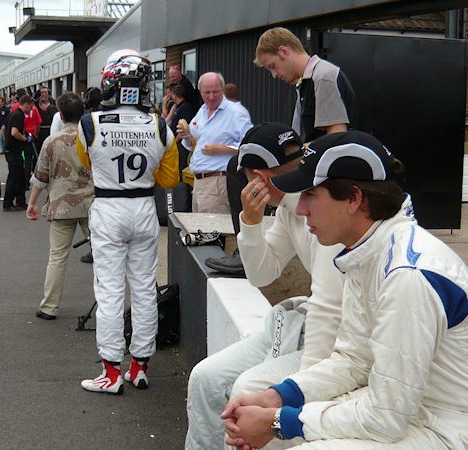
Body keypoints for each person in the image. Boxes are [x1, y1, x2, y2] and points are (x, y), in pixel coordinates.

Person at [223, 130, 468, 449]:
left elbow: (385, 418)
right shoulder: (368, 250)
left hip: (445, 428)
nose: (300, 210)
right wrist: (276, 396)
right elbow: (353, 360)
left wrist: (279, 422)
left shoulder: (407, 274)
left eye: (311, 195)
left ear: (354, 198)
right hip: (408, 411)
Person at [185, 123, 345, 450]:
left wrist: (305, 388)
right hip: (307, 326)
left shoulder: (320, 211)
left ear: (257, 175)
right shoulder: (291, 206)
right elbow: (262, 275)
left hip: (333, 344)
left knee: (246, 394)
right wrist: (251, 224)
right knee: (206, 378)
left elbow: (330, 316)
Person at [206, 26, 356, 275]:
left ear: (284, 51)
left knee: (238, 167)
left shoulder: (323, 76)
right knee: (239, 164)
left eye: (272, 66)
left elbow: (337, 139)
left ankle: (249, 239)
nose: (274, 75)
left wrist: (289, 156)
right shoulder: (306, 81)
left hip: (324, 173)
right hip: (310, 166)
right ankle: (250, 239)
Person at [77, 49, 179, 395]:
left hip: (109, 206)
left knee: (109, 291)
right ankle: (139, 367)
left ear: (110, 80)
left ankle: (110, 371)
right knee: (144, 289)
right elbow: (168, 180)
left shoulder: (89, 123)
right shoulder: (161, 125)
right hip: (143, 208)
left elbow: (87, 163)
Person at [27, 92, 94, 320]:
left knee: (57, 257)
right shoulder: (92, 138)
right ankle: (107, 306)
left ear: (61, 114)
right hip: (92, 206)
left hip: (61, 205)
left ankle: (49, 306)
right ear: (82, 112)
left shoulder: (51, 141)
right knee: (104, 257)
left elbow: (41, 177)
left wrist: (32, 203)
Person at [177, 72, 252, 214]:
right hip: (198, 182)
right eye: (207, 92)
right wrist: (186, 136)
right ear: (200, 92)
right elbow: (194, 140)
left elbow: (250, 145)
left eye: (215, 92)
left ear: (222, 90)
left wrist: (224, 149)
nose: (211, 97)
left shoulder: (236, 112)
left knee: (213, 232)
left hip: (218, 181)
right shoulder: (203, 110)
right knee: (200, 231)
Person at [3, 94, 34, 212]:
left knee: (20, 177)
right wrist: (25, 139)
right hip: (13, 150)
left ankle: (20, 201)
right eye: (30, 107)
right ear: (26, 104)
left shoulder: (13, 113)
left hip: (12, 149)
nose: (31, 110)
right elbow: (14, 132)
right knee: (14, 177)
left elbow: (4, 129)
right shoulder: (19, 116)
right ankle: (8, 203)